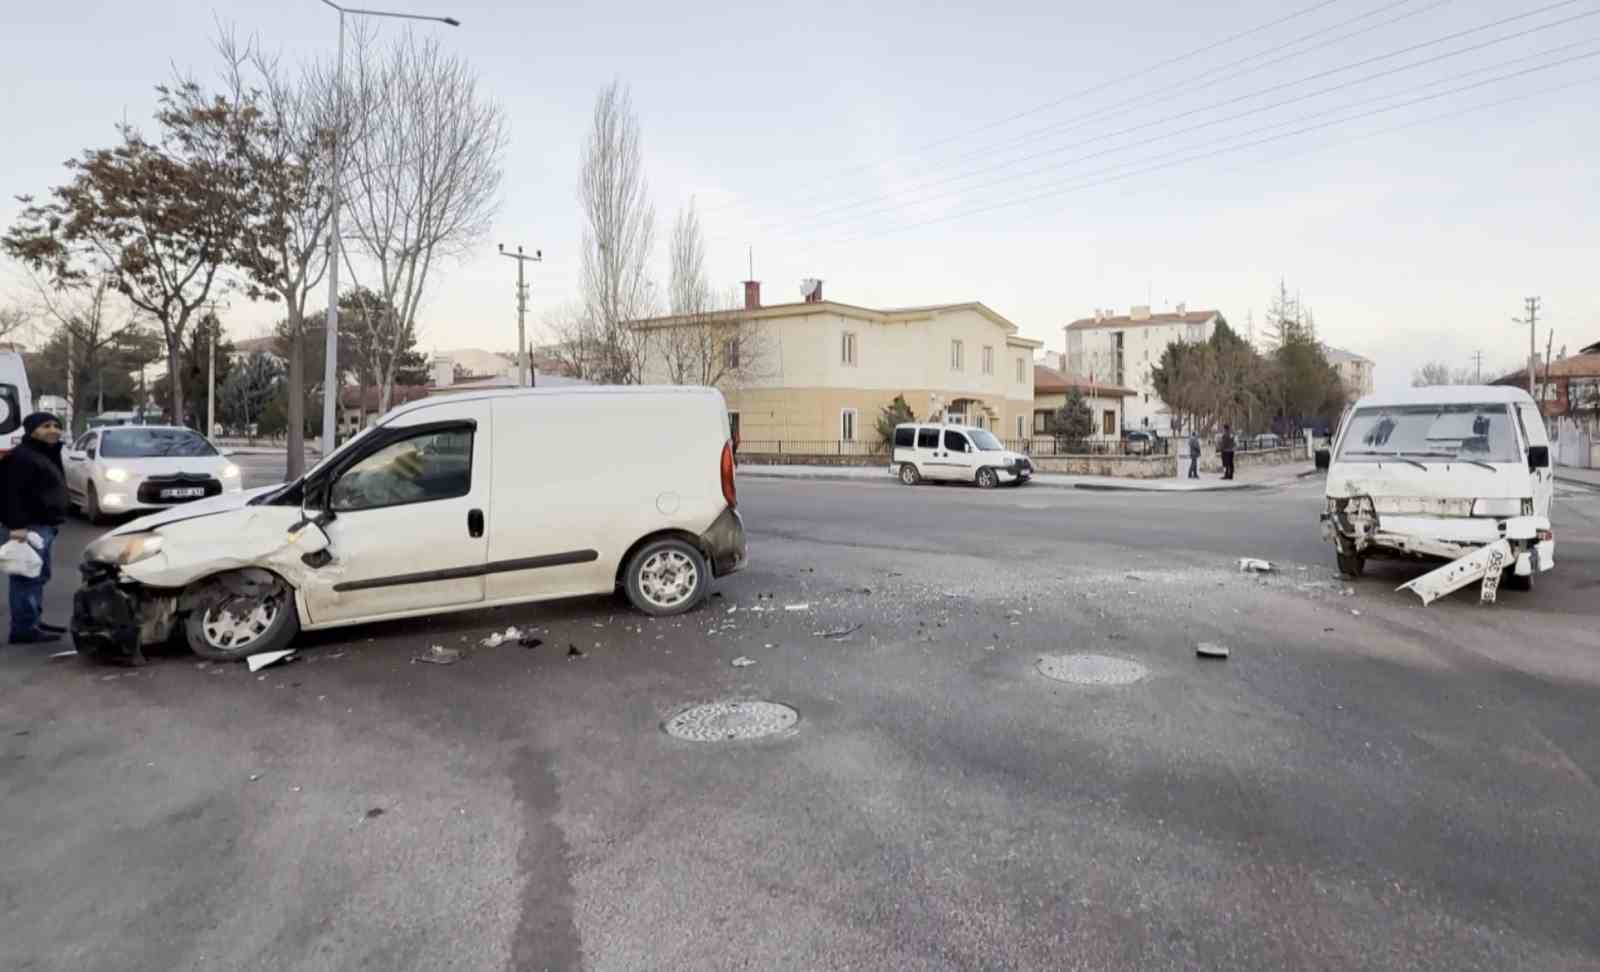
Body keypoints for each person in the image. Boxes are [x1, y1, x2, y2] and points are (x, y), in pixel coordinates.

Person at [2, 413, 68, 644]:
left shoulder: (43, 453)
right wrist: (17, 526)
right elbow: (11, 495)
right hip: (29, 528)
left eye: (56, 426)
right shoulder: (22, 457)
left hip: (44, 526)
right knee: (26, 578)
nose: (53, 430)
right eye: (46, 426)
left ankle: (33, 621)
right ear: (31, 430)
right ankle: (24, 629)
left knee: (38, 576)